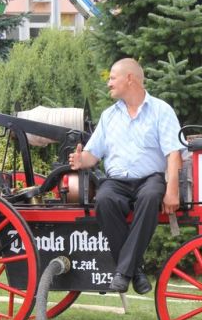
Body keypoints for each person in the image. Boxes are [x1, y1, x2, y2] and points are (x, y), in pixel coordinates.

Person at [68, 58, 184, 294]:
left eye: (112, 78)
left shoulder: (162, 110)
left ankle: (122, 273)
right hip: (117, 181)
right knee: (104, 200)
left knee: (151, 196)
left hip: (150, 179)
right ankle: (136, 270)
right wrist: (81, 161)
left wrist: (172, 190)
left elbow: (173, 154)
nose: (109, 83)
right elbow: (93, 155)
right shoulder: (109, 115)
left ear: (130, 78)